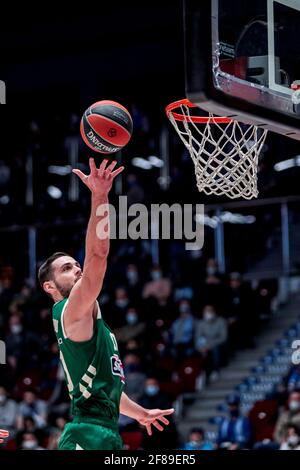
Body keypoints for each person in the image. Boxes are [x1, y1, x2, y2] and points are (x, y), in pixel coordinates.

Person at [38, 159, 174, 450]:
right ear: (49, 287)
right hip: (87, 434)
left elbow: (106, 388)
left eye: (76, 264)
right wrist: (99, 195)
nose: (77, 269)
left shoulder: (88, 317)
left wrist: (141, 413)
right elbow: (98, 256)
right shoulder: (69, 310)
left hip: (103, 432)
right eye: (66, 268)